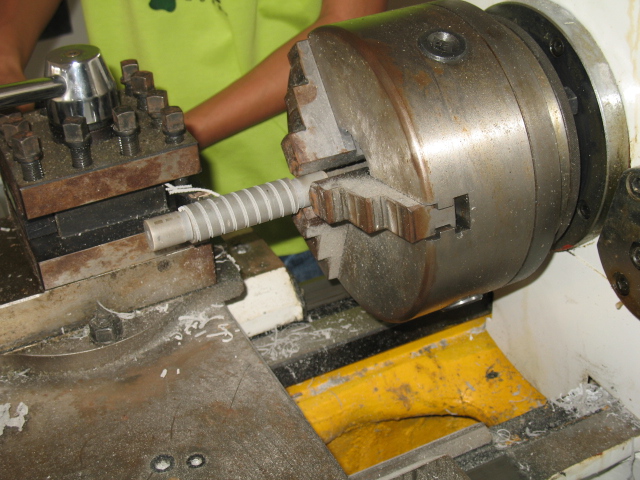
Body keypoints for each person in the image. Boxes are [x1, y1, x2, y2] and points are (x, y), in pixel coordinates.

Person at [0, 0, 386, 272]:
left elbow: (346, 22)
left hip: (299, 191)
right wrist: (5, 51)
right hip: (152, 191)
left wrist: (172, 141)